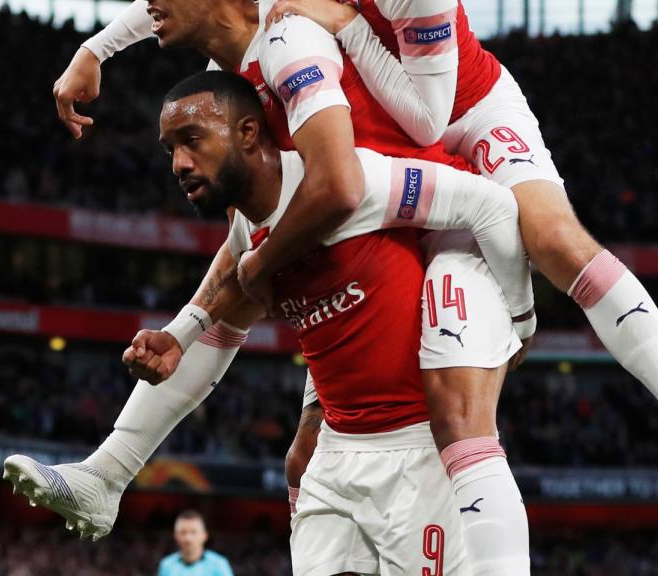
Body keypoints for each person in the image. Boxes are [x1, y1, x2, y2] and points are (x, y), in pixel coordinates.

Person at [47, 2, 537, 572]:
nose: (179, 162)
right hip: (349, 362)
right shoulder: (232, 97)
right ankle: (107, 472)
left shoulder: (288, 43)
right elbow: (244, 254)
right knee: (301, 456)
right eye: (171, 148)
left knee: (462, 424)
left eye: (190, 142)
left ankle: (108, 472)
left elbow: (340, 187)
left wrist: (520, 319)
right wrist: (94, 49)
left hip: (434, 224)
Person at [158, 510, 234, 576]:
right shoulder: (167, 565)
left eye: (193, 532)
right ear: (175, 536)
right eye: (183, 532)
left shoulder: (219, 564)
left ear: (204, 536)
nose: (188, 538)